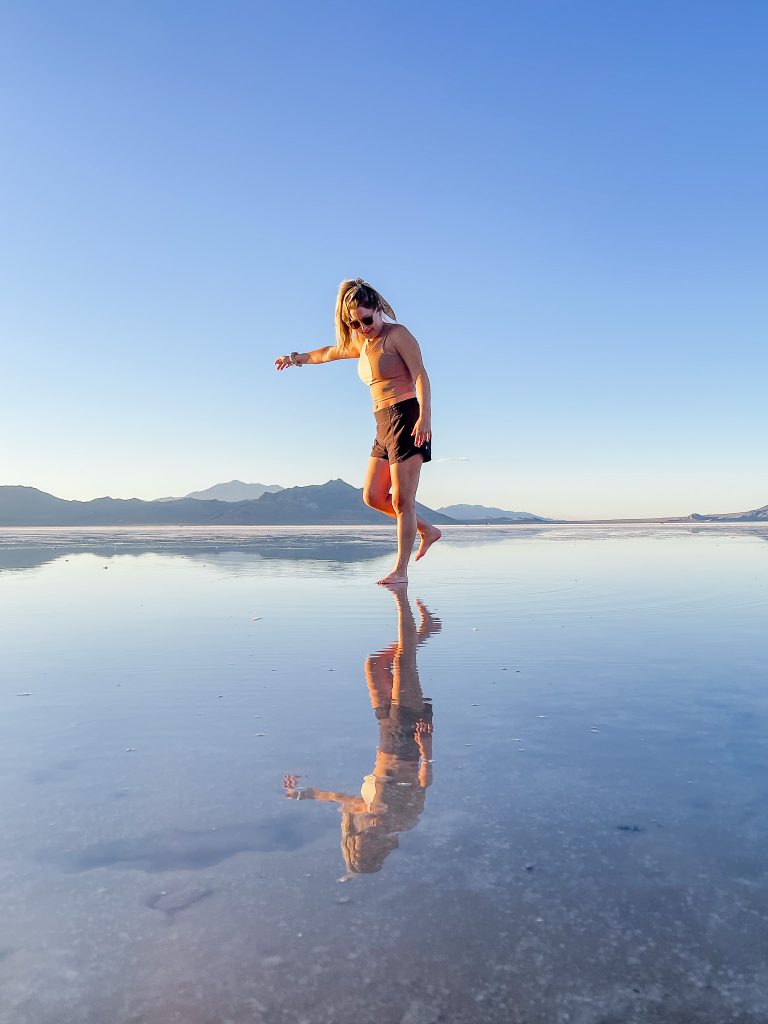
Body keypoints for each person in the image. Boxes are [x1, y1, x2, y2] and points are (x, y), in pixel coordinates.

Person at [275, 278, 441, 586]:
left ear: (379, 310)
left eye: (367, 319)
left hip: (407, 416)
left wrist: (425, 417)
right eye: (355, 323)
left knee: (404, 501)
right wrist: (295, 358)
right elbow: (327, 352)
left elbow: (421, 376)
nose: (363, 327)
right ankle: (427, 530)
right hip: (382, 422)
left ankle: (400, 571)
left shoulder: (397, 335)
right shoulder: (362, 343)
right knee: (373, 496)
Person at [283, 587, 440, 875]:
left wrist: (301, 794)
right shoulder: (403, 822)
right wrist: (426, 751)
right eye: (367, 847)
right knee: (401, 662)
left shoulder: (364, 814)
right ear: (379, 851)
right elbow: (423, 785)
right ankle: (401, 599)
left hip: (385, 734)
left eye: (357, 843)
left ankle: (427, 630)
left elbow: (334, 798)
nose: (362, 839)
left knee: (374, 665)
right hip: (407, 738)